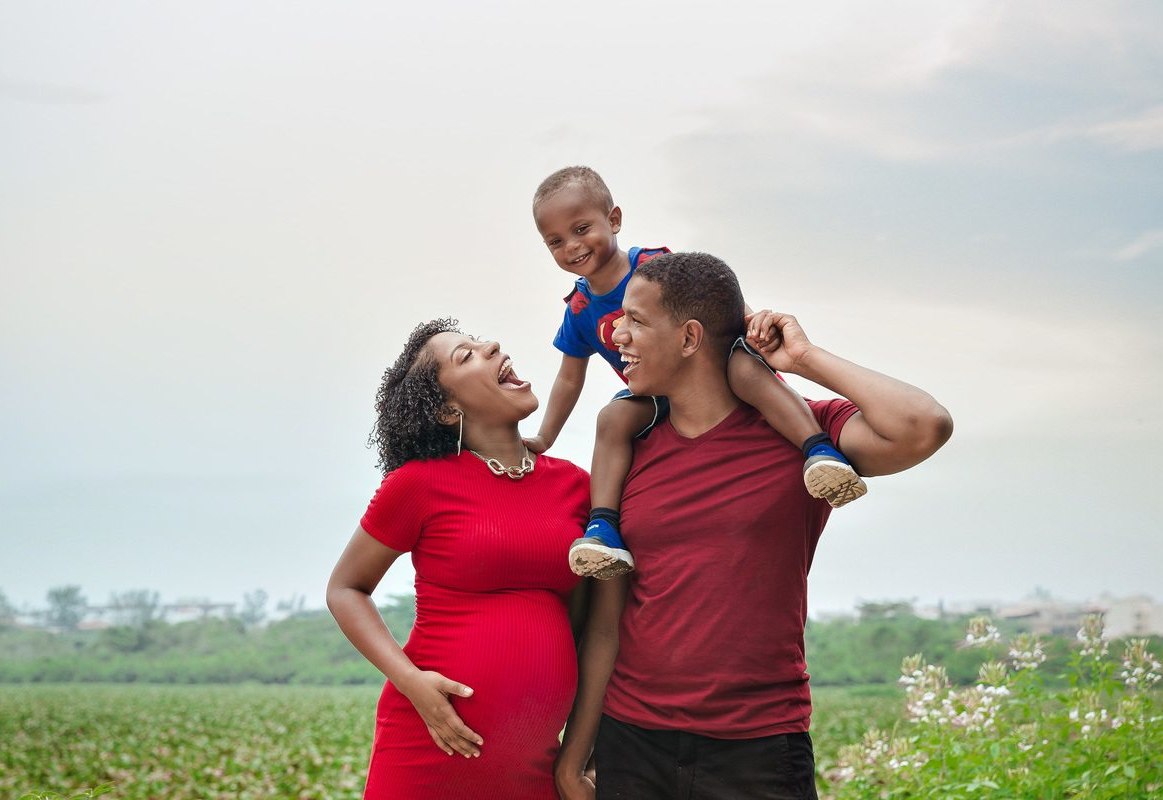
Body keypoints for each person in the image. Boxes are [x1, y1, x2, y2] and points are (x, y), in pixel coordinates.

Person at [553, 252, 953, 800]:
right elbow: (606, 621)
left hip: (759, 749)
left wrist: (804, 358)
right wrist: (574, 758)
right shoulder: (628, 449)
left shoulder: (800, 432)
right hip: (633, 742)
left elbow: (923, 425)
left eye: (637, 321)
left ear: (691, 337)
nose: (617, 333)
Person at [523, 166, 865, 581]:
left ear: (614, 220)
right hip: (656, 394)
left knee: (744, 368)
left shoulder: (656, 266)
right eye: (556, 241)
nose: (572, 247)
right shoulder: (578, 310)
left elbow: (710, 298)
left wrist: (753, 323)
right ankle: (604, 526)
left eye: (581, 228)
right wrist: (544, 437)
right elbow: (568, 378)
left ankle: (817, 450)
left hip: (710, 368)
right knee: (612, 418)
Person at [326, 318, 591, 800]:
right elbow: (345, 589)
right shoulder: (418, 483)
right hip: (429, 749)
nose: (491, 345)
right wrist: (410, 681)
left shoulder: (575, 486)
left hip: (534, 762)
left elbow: (592, 620)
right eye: (466, 356)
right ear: (448, 409)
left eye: (482, 342)